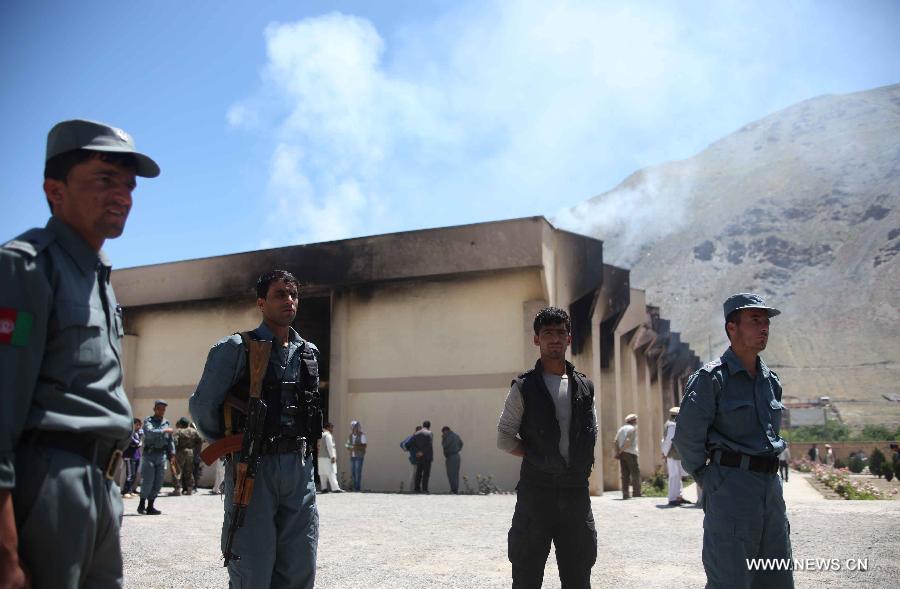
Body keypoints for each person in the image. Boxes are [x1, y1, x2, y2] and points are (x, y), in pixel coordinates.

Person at [0, 119, 159, 588]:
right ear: (55, 190)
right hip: (49, 483)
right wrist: (5, 551)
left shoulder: (99, 278)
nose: (123, 196)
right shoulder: (25, 266)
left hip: (104, 488)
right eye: (104, 179)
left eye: (129, 185)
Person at [189, 269, 322, 588]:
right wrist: (233, 444)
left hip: (299, 467)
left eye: (294, 295)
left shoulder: (309, 353)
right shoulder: (236, 348)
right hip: (253, 466)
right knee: (252, 563)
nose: (289, 300)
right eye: (280, 294)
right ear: (261, 302)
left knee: (300, 561)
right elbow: (202, 406)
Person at [674, 293, 793, 588]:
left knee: (776, 577)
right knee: (730, 578)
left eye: (766, 322)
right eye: (755, 321)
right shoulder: (711, 379)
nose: (764, 327)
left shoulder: (771, 381)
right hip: (731, 489)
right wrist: (711, 478)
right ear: (732, 328)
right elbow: (687, 437)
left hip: (770, 490)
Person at [497, 307, 598, 588]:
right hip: (536, 495)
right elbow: (504, 437)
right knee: (527, 576)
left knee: (578, 576)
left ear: (569, 339)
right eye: (548, 333)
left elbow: (593, 433)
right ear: (536, 340)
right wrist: (538, 456)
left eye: (560, 333)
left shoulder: (585, 387)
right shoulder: (524, 387)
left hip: (576, 495)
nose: (555, 339)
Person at [139, 400, 175, 514]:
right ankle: (141, 504)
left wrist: (172, 453)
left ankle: (150, 506)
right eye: (159, 408)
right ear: (154, 409)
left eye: (164, 409)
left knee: (158, 481)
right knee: (148, 481)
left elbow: (169, 440)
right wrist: (164, 430)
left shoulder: (166, 422)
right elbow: (149, 432)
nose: (162, 411)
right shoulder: (148, 420)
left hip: (162, 455)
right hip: (149, 454)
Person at [661, 407, 690, 506]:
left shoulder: (672, 424)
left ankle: (679, 496)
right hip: (673, 454)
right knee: (674, 476)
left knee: (678, 476)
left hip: (677, 454)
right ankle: (672, 498)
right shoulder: (672, 425)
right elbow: (669, 440)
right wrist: (664, 453)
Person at [171, 417, 202, 496]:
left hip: (180, 452)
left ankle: (177, 489)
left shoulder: (178, 431)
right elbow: (200, 440)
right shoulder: (193, 431)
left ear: (180, 424)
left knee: (178, 471)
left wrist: (173, 452)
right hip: (190, 452)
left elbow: (175, 442)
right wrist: (195, 448)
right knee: (189, 471)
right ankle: (189, 489)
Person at [615, 414, 641, 499]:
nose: (636, 422)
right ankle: (636, 492)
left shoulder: (621, 429)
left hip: (622, 453)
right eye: (635, 420)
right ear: (632, 421)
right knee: (635, 473)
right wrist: (621, 450)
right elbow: (628, 441)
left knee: (624, 474)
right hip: (630, 453)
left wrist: (617, 452)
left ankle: (625, 494)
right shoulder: (632, 429)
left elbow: (615, 441)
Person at [410, 420, 434, 493]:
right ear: (429, 426)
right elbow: (429, 445)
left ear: (423, 425)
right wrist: (422, 452)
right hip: (427, 456)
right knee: (426, 473)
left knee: (418, 473)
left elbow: (412, 444)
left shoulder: (416, 433)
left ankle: (417, 488)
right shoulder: (430, 433)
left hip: (418, 456)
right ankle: (424, 489)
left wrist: (417, 452)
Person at [317, 422, 342, 493]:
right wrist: (333, 456)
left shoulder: (320, 435)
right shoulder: (328, 435)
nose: (332, 429)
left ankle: (324, 488)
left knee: (322, 473)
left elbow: (318, 446)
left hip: (320, 457)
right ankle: (335, 488)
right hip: (327, 457)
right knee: (331, 472)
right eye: (331, 427)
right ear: (328, 427)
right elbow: (330, 447)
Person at [345, 420, 367, 491]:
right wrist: (348, 447)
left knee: (358, 472)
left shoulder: (362, 435)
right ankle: (355, 488)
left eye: (355, 427)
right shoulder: (350, 436)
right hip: (352, 456)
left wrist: (355, 446)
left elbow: (364, 446)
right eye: (353, 427)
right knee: (353, 472)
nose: (354, 428)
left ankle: (357, 488)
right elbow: (347, 444)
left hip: (359, 456)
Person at [441, 426, 464, 494]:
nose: (443, 434)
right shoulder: (456, 435)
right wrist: (458, 449)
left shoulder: (448, 436)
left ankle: (453, 490)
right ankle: (455, 489)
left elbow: (444, 445)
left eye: (443, 432)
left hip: (451, 456)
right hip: (457, 456)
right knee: (455, 474)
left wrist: (443, 438)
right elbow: (461, 443)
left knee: (451, 474)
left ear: (445, 431)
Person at [401, 425, 422, 491]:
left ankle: (416, 488)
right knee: (414, 474)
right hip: (414, 459)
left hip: (419, 459)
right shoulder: (413, 437)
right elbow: (403, 444)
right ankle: (412, 489)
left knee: (417, 474)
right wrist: (408, 450)